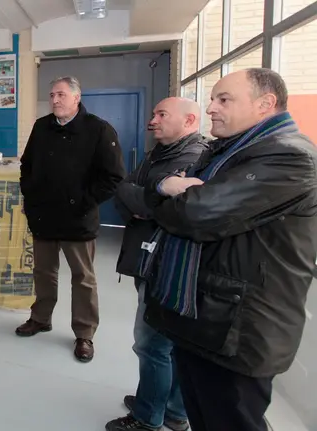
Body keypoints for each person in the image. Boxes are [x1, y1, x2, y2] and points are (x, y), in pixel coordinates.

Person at [140, 68, 317, 431]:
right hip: (203, 315)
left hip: (240, 327)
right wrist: (168, 188)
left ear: (265, 104)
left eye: (224, 99)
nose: (211, 109)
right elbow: (160, 194)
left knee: (231, 420)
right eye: (212, 99)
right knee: (203, 414)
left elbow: (195, 213)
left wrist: (170, 191)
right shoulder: (230, 150)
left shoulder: (289, 158)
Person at [106, 97, 209, 431]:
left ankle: (148, 417)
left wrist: (145, 201)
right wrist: (147, 198)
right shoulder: (159, 153)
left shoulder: (194, 158)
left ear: (190, 120)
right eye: (153, 114)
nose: (153, 120)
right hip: (151, 255)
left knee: (151, 344)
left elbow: (165, 209)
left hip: (167, 261)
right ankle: (172, 410)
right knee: (168, 342)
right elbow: (124, 189)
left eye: (162, 114)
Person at [17, 76, 125, 363]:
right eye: (52, 95)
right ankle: (40, 318)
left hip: (78, 218)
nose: (55, 100)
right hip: (43, 216)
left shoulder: (99, 129)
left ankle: (84, 333)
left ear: (77, 98)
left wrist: (84, 201)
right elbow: (26, 165)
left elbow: (113, 177)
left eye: (61, 95)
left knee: (83, 278)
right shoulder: (42, 127)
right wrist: (29, 193)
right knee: (43, 272)